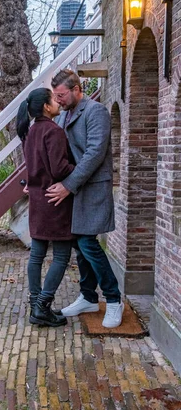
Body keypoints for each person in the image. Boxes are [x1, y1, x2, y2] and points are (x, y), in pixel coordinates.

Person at [46, 69, 123, 329]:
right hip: (78, 189)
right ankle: (88, 297)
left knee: (87, 242)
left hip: (93, 188)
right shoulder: (65, 114)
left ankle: (113, 300)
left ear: (77, 89)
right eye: (55, 97)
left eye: (62, 95)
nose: (58, 101)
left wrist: (68, 186)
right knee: (80, 244)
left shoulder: (96, 111)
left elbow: (94, 153)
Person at [16, 88, 75, 328]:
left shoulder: (30, 133)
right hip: (55, 201)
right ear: (46, 107)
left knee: (37, 255)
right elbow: (59, 169)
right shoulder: (54, 131)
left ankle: (35, 305)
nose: (58, 101)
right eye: (53, 98)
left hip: (38, 201)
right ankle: (42, 305)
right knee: (61, 255)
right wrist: (79, 168)